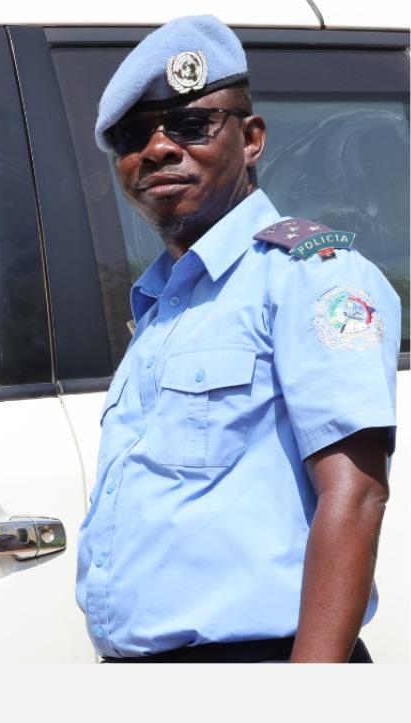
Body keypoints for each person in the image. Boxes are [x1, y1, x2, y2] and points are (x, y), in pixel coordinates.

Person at [76, 15, 399, 662]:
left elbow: (357, 492)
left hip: (264, 667)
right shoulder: (162, 303)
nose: (159, 149)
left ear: (251, 140)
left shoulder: (310, 274)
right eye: (134, 137)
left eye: (190, 125)